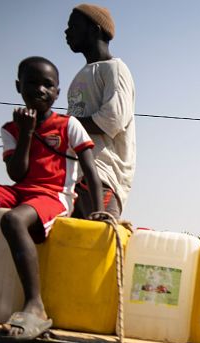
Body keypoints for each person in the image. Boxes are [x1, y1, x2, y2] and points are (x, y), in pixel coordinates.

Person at [0, 57, 103, 340]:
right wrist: (27, 134)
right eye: (32, 82)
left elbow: (91, 171)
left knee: (14, 220)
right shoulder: (11, 128)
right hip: (21, 189)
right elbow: (17, 175)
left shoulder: (69, 126)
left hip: (54, 195)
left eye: (48, 85)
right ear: (19, 86)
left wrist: (100, 211)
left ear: (57, 92)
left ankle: (35, 307)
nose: (40, 89)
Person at [65, 3, 136, 219]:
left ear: (95, 29)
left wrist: (63, 124)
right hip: (73, 177)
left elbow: (111, 120)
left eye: (73, 26)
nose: (67, 32)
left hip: (102, 177)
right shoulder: (80, 75)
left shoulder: (115, 69)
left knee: (97, 243)